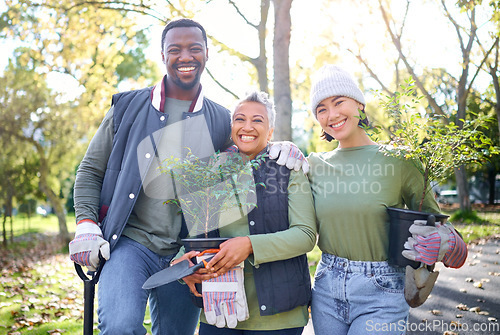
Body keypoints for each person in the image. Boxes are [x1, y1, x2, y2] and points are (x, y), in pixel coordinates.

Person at [68, 19, 306, 335]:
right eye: (175, 49)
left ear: (207, 54)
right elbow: (90, 170)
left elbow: (244, 153)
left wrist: (279, 147)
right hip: (131, 243)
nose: (185, 57)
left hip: (188, 252)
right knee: (120, 326)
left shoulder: (221, 118)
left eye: (194, 48)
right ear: (162, 54)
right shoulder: (127, 107)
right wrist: (86, 223)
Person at [306, 65, 468, 335]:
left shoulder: (400, 160)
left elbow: (439, 224)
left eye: (338, 102)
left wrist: (447, 242)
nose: (332, 114)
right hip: (326, 289)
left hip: (382, 292)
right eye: (321, 109)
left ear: (359, 104)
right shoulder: (314, 165)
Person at [176, 91, 317, 334]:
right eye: (240, 119)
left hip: (280, 314)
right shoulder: (211, 172)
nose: (247, 127)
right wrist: (182, 267)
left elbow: (305, 235)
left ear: (271, 130)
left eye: (258, 120)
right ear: (232, 128)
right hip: (218, 308)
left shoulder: (289, 169)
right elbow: (196, 234)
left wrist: (250, 245)